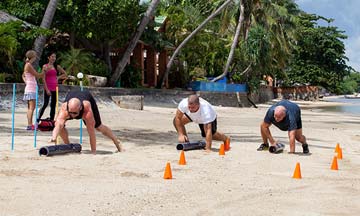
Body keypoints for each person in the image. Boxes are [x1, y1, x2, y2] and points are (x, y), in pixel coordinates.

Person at [49, 90, 122, 154]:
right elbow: (58, 125)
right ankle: (68, 146)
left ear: (80, 108)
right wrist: (54, 137)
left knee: (98, 127)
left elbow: (91, 133)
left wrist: (93, 152)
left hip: (87, 97)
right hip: (72, 96)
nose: (72, 115)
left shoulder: (87, 111)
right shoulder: (64, 109)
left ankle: (115, 140)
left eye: (75, 113)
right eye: (70, 112)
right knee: (60, 124)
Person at [37, 52, 67, 122]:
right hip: (48, 87)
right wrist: (47, 89)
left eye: (54, 57)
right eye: (52, 57)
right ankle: (38, 119)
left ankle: (51, 119)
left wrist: (58, 77)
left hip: (55, 87)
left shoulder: (57, 66)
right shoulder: (45, 66)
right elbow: (43, 78)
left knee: (53, 105)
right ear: (49, 57)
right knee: (45, 104)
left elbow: (65, 74)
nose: (53, 58)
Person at [22, 50, 43, 130]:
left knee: (30, 108)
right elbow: (37, 75)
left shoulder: (27, 65)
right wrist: (44, 72)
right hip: (31, 89)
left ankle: (29, 125)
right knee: (32, 108)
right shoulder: (28, 65)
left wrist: (27, 82)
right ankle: (30, 125)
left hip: (30, 87)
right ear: (33, 57)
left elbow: (23, 75)